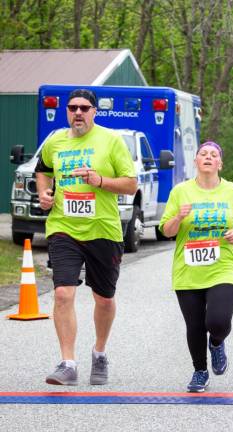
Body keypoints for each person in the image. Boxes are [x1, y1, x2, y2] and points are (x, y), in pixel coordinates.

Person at [36, 89, 137, 386]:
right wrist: (45, 192)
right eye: (72, 108)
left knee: (103, 299)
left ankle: (100, 353)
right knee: (63, 293)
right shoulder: (55, 140)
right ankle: (68, 363)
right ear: (67, 111)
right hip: (63, 227)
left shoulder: (111, 141)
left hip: (103, 229)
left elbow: (131, 185)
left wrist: (100, 181)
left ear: (95, 111)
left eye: (84, 108)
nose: (78, 112)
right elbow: (43, 169)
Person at [159, 141, 233, 392]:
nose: (208, 157)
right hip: (188, 269)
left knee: (218, 321)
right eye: (203, 154)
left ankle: (218, 342)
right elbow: (167, 231)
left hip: (224, 266)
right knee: (195, 326)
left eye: (214, 155)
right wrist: (178, 216)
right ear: (196, 161)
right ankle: (200, 372)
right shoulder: (180, 192)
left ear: (220, 163)